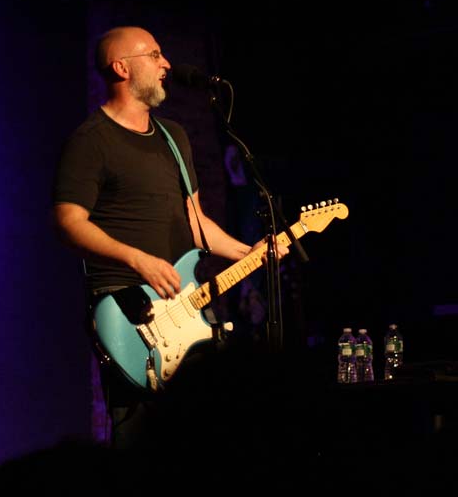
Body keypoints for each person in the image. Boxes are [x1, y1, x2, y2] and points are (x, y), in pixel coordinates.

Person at [51, 25, 287, 450]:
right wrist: (137, 259)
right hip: (131, 312)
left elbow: (196, 219)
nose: (166, 65)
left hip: (185, 307)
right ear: (121, 67)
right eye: (154, 55)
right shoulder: (91, 141)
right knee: (139, 443)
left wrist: (249, 253)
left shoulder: (173, 137)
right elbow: (69, 221)